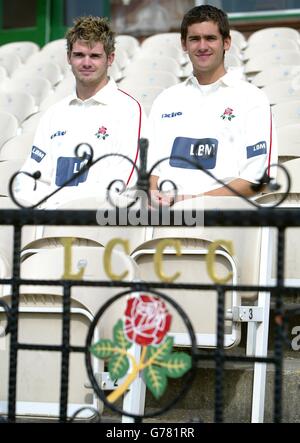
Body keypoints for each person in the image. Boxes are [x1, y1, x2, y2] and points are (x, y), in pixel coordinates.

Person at [148, 4, 277, 205]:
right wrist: (153, 193)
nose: (202, 46)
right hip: (165, 216)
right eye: (194, 39)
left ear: (226, 42)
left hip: (222, 217)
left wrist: (194, 200)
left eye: (210, 38)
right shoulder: (166, 100)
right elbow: (151, 167)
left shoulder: (252, 98)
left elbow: (257, 179)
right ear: (184, 44)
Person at [16, 16, 146, 207]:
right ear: (69, 57)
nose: (86, 63)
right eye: (79, 55)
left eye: (94, 56)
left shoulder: (129, 110)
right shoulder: (54, 114)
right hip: (50, 222)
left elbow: (122, 180)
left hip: (99, 226)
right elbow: (27, 179)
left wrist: (60, 203)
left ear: (110, 58)